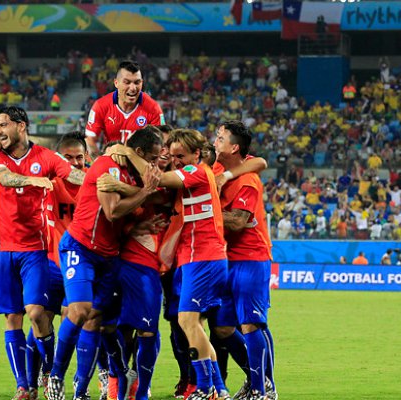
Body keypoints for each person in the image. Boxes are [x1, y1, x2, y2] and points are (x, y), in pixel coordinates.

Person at [110, 128, 267, 400]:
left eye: (180, 155)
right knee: (196, 326)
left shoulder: (196, 172)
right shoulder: (189, 180)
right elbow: (154, 193)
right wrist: (123, 188)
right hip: (193, 258)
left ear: (197, 154)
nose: (176, 160)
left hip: (204, 257)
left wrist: (126, 151)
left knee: (189, 321)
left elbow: (156, 178)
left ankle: (213, 387)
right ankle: (215, 387)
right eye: (172, 156)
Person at [0, 106, 86, 400]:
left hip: (34, 248)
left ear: (21, 126)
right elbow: (5, 178)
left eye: (4, 124)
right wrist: (32, 180)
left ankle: (49, 372)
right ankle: (24, 385)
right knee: (12, 318)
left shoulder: (45, 157)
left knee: (36, 313)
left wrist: (102, 176)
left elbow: (73, 174)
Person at [47, 126, 163, 400]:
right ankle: (55, 375)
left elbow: (124, 218)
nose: (157, 163)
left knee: (96, 320)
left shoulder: (134, 174)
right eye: (154, 157)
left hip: (109, 257)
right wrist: (145, 191)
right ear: (139, 153)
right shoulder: (107, 166)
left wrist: (137, 224)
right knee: (79, 310)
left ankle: (81, 391)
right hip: (81, 247)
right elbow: (112, 212)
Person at [213, 120, 277, 400]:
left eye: (220, 138)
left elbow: (238, 222)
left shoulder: (247, 180)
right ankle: (257, 381)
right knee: (224, 327)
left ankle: (263, 389)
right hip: (227, 259)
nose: (215, 141)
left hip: (251, 258)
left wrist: (205, 213)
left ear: (234, 147)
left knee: (252, 324)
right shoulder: (218, 168)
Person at [26, 131, 90, 399]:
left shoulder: (94, 184)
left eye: (79, 157)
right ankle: (32, 383)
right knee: (38, 317)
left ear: (87, 157)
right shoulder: (51, 182)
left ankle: (68, 379)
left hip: (83, 262)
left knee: (72, 318)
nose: (74, 163)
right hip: (52, 261)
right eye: (68, 158)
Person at [85, 60, 165, 156]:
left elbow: (160, 144)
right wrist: (101, 162)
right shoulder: (101, 106)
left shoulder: (153, 108)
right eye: (127, 82)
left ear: (142, 83)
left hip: (141, 164)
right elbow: (90, 140)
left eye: (137, 82)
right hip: (112, 163)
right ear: (116, 83)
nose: (133, 88)